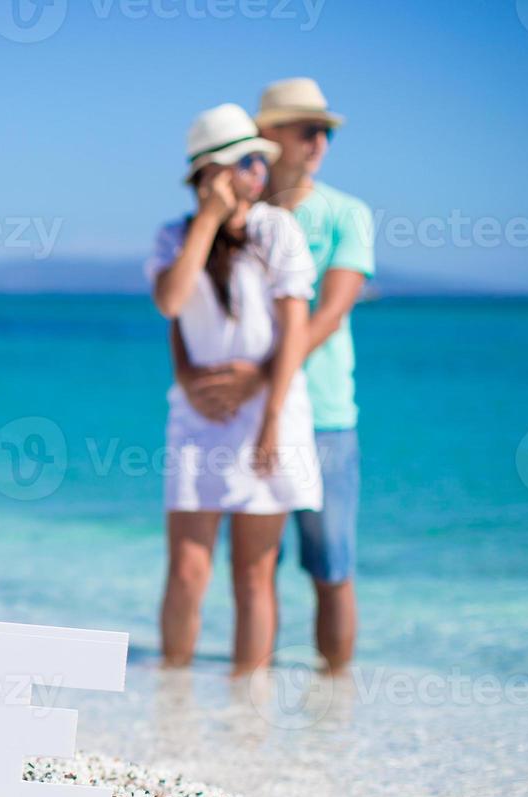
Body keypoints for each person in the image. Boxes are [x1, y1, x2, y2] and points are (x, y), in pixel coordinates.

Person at [147, 103, 322, 677]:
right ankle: (172, 698)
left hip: (269, 411)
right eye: (246, 162)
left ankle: (248, 713)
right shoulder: (174, 235)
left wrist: (269, 413)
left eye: (259, 162)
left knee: (254, 572)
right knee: (188, 568)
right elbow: (172, 304)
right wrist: (206, 221)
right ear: (211, 172)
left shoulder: (276, 229)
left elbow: (295, 328)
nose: (257, 174)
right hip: (199, 415)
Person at [256, 78, 375, 676]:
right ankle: (249, 709)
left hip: (324, 415)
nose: (320, 142)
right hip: (253, 419)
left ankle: (335, 712)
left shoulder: (347, 213)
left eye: (325, 131)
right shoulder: (243, 220)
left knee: (331, 566)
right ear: (267, 135)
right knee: (256, 568)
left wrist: (259, 376)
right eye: (308, 129)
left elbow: (331, 312)